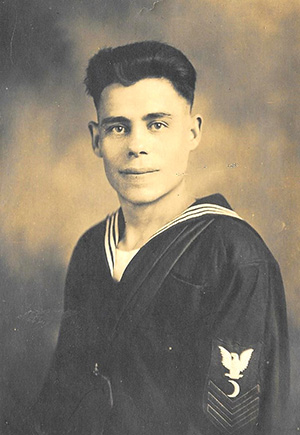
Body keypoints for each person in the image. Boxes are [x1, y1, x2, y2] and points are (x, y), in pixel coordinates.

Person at [27, 41, 289, 435]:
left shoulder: (234, 256)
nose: (136, 146)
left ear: (193, 132)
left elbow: (236, 424)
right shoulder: (91, 247)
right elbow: (61, 399)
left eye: (157, 124)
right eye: (118, 127)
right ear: (96, 139)